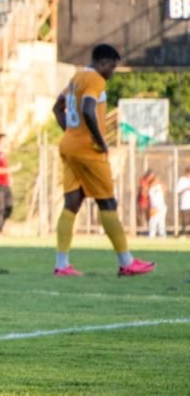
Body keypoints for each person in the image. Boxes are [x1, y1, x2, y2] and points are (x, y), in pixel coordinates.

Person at [50, 44, 155, 277]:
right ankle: (126, 262)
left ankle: (61, 264)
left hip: (69, 146)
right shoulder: (96, 79)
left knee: (71, 203)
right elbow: (88, 109)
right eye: (112, 67)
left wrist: (72, 133)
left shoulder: (76, 78)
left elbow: (57, 108)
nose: (112, 73)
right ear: (102, 63)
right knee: (108, 203)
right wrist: (100, 141)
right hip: (89, 150)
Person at [0, 133, 21, 235]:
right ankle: (0, 230)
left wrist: (9, 177)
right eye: (5, 140)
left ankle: (2, 226)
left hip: (5, 184)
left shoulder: (4, 154)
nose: (7, 142)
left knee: (9, 205)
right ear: (0, 141)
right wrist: (11, 170)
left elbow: (4, 168)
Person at [136, 169, 154, 234]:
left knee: (149, 218)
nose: (152, 177)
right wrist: (147, 191)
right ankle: (139, 232)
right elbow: (143, 192)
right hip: (142, 202)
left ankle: (149, 231)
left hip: (149, 203)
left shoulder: (152, 182)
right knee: (140, 217)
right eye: (151, 176)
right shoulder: (143, 181)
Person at [176, 166, 190, 237]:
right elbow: (178, 191)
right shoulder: (182, 180)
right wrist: (185, 189)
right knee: (185, 219)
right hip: (185, 203)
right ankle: (183, 233)